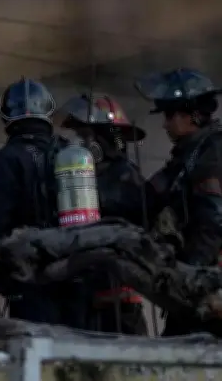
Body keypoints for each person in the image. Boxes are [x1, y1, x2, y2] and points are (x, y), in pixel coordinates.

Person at [135, 68, 222, 337]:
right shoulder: (187, 156)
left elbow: (216, 218)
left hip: (212, 287)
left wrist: (192, 276)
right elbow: (144, 198)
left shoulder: (216, 152)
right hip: (192, 283)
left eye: (169, 115)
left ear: (191, 114)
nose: (165, 124)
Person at [0, 77, 79, 325]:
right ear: (48, 112)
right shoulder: (69, 153)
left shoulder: (9, 158)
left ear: (7, 116)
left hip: (31, 277)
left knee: (37, 351)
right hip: (76, 273)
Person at [54, 93, 149, 335]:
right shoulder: (88, 176)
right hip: (85, 294)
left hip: (117, 298)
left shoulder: (125, 177)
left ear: (100, 139)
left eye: (83, 135)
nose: (76, 143)